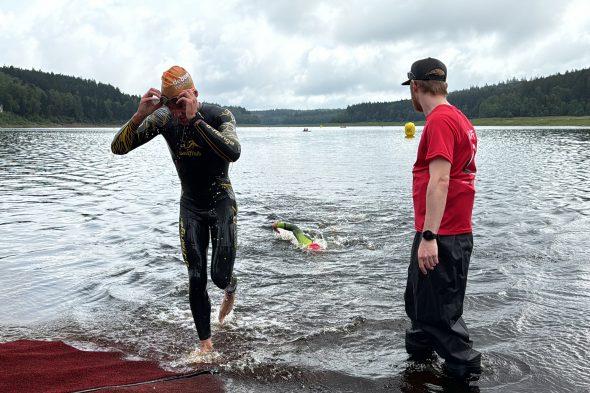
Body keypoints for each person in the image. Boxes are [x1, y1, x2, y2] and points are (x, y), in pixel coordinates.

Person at [111, 65, 240, 353]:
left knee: (219, 277)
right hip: (191, 206)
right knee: (196, 276)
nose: (179, 113)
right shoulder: (164, 119)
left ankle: (231, 286)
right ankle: (205, 346)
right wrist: (139, 116)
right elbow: (118, 148)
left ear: (195, 94)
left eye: (183, 104)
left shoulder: (219, 115)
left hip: (221, 202)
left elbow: (233, 151)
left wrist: (195, 121)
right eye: (173, 106)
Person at [401, 57, 481, 377]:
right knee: (421, 311)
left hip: (442, 235)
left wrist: (429, 237)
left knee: (441, 323)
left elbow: (441, 179)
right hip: (451, 233)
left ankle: (464, 375)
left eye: (412, 88)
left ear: (416, 87)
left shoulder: (440, 121)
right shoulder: (459, 118)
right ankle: (416, 376)